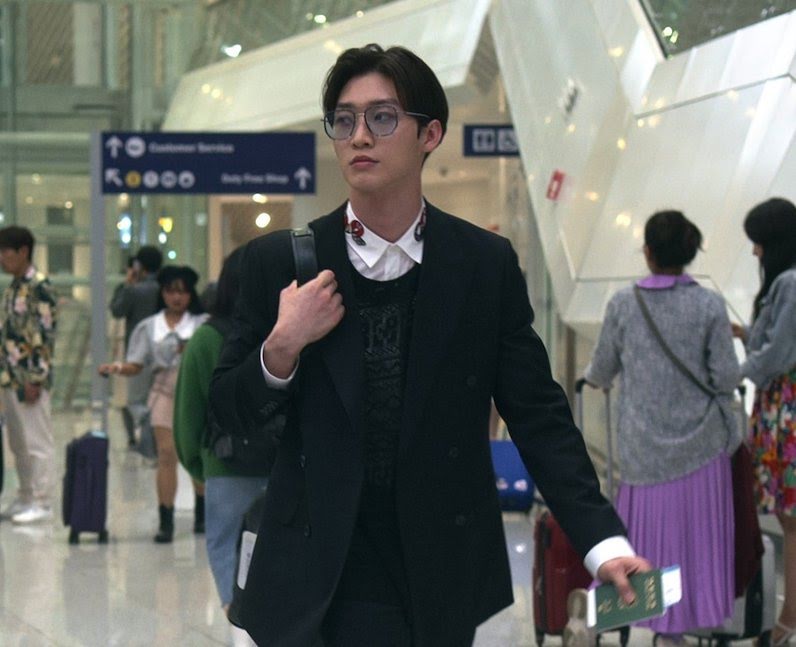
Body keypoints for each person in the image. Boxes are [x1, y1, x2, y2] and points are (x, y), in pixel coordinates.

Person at [209, 43, 648, 646]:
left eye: (382, 117)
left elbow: (538, 415)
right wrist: (282, 346)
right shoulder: (279, 263)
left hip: (437, 566)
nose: (360, 136)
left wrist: (602, 541)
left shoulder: (482, 265)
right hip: (316, 570)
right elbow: (226, 413)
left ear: (430, 134)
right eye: (344, 120)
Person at [584, 210, 741, 645]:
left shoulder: (623, 304)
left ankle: (652, 618)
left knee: (651, 542)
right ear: (689, 253)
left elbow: (601, 369)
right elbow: (727, 377)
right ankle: (689, 622)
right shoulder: (709, 305)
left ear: (648, 252)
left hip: (643, 449)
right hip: (702, 447)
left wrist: (593, 379)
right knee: (698, 542)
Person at [173, 247, 267, 644]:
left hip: (226, 464)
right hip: (286, 463)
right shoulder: (289, 333)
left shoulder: (207, 339)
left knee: (229, 551)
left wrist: (200, 466)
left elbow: (188, 414)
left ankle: (240, 629)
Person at [99, 265, 206, 543]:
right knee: (166, 455)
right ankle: (166, 521)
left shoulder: (203, 324)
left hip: (195, 395)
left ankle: (202, 514)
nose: (176, 297)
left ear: (191, 294)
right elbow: (136, 363)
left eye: (182, 292)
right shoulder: (149, 326)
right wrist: (117, 367)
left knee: (196, 454)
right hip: (163, 393)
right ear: (163, 293)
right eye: (171, 291)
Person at [734, 197, 796, 646]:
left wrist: (734, 372)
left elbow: (778, 353)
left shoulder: (789, 282)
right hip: (784, 404)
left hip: (786, 409)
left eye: (758, 242)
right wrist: (748, 335)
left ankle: (788, 620)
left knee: (791, 521)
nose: (755, 251)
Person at [0, 226, 58, 524]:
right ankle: (25, 496)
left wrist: (36, 377)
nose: (1, 258)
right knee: (18, 443)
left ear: (23, 251)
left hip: (31, 378)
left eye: (5, 252)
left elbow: (45, 335)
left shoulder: (40, 286)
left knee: (37, 442)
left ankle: (42, 501)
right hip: (11, 376)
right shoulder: (14, 287)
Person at [109, 245, 163, 446]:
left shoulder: (135, 290)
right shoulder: (164, 288)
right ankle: (158, 438)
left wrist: (127, 284)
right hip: (164, 350)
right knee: (159, 398)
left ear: (139, 265)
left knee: (136, 400)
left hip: (138, 352)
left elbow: (117, 310)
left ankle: (144, 438)